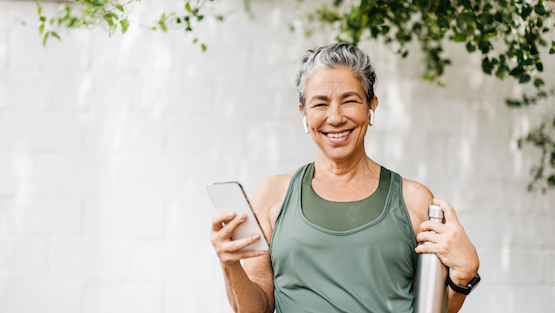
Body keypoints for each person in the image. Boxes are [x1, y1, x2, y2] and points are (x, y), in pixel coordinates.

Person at [210, 43, 480, 313]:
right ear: (304, 113)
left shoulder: (414, 199)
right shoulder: (272, 196)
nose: (336, 117)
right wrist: (229, 264)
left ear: (371, 105)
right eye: (320, 103)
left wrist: (463, 276)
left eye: (350, 101)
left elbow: (430, 309)